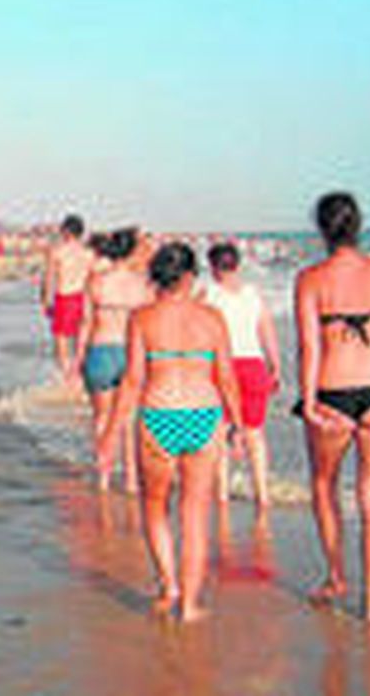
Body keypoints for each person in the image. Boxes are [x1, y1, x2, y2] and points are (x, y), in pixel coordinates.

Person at [294, 192, 370, 623]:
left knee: (323, 484)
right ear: (359, 225)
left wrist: (309, 401)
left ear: (320, 228)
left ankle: (335, 577)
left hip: (332, 392)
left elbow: (308, 347)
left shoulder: (310, 279)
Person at [99, 242, 241, 622]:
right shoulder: (211, 318)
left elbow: (132, 381)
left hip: (158, 414)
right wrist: (240, 426)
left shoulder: (142, 318)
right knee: (195, 516)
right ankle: (190, 605)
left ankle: (169, 585)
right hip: (204, 415)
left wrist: (110, 435)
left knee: (155, 506)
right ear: (191, 276)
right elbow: (227, 377)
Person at [202, 241, 283, 513]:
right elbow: (267, 331)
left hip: (221, 366)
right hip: (253, 365)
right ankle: (263, 495)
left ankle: (222, 495)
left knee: (220, 431)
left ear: (214, 267)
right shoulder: (253, 294)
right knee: (255, 433)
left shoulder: (208, 295)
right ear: (237, 265)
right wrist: (275, 366)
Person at [81, 229, 153, 492]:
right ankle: (132, 479)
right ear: (132, 251)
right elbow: (149, 323)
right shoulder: (142, 285)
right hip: (131, 352)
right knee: (128, 420)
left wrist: (80, 357)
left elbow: (86, 322)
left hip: (101, 347)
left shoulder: (96, 281)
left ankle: (104, 477)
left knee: (102, 417)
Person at [42, 214, 94, 383]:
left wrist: (46, 301)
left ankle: (66, 378)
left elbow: (49, 278)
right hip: (83, 298)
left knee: (62, 342)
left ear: (66, 231)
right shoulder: (89, 253)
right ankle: (78, 375)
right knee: (81, 341)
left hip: (65, 297)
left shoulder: (57, 252)